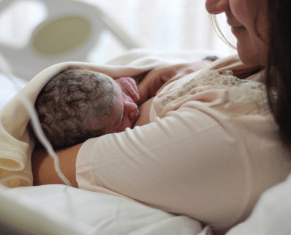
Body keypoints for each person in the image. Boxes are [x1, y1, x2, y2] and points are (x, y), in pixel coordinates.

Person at [32, 0, 291, 234]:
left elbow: (37, 165)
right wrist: (194, 69)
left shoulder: (228, 134)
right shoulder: (267, 63)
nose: (212, 6)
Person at [33, 67, 141, 150]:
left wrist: (130, 82)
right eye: (121, 118)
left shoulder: (109, 94)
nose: (134, 107)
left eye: (122, 92)